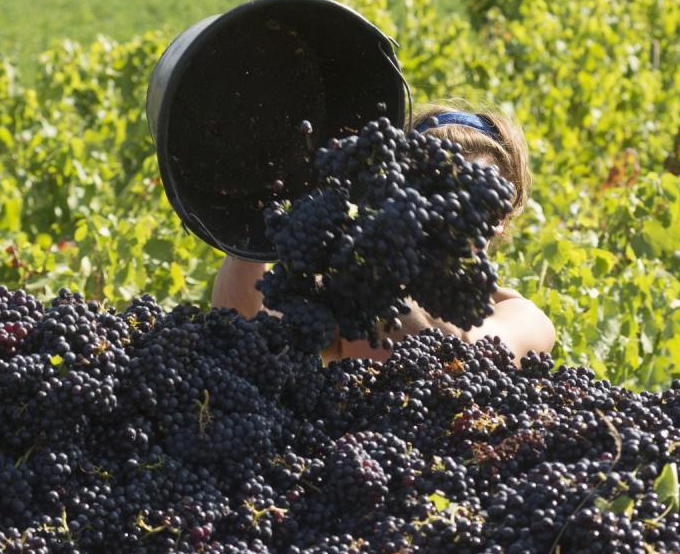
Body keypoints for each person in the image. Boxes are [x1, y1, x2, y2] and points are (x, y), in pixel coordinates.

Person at [211, 101, 556, 363]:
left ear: (500, 218)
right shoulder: (348, 294)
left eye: (466, 194)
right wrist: (258, 213)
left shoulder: (523, 316)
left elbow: (455, 356)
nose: (441, 208)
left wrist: (377, 265)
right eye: (425, 187)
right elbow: (244, 330)